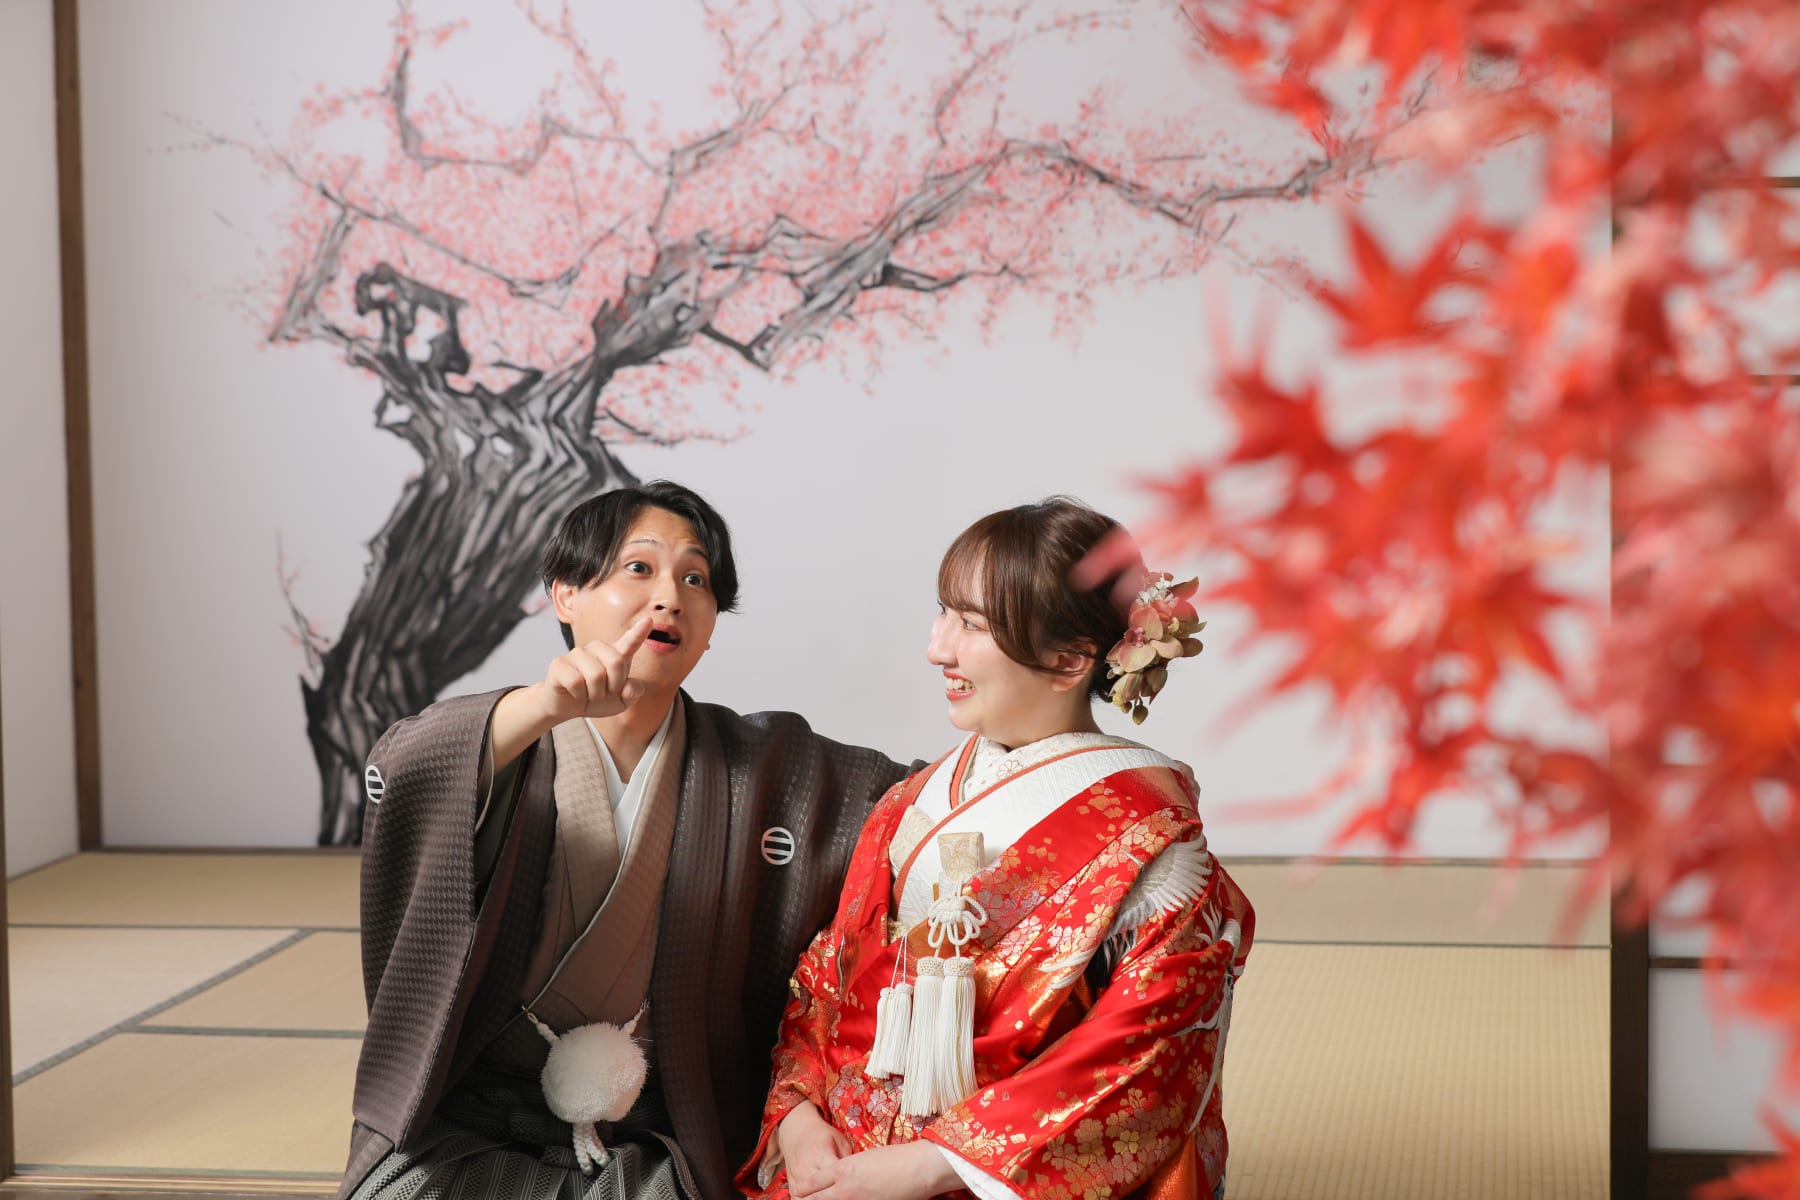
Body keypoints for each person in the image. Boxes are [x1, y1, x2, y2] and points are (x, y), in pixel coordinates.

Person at [338, 481, 912, 1200]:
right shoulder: (502, 737)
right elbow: (402, 772)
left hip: (662, 1132)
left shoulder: (769, 766)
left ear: (710, 626)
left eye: (695, 579)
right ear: (565, 596)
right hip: (470, 1125)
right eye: (639, 568)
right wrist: (540, 709)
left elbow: (926, 798)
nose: (669, 596)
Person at [742, 498, 1254, 1200]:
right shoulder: (910, 802)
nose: (938, 648)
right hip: (845, 1161)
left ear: (1069, 659)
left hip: (992, 1176)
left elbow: (1150, 1049)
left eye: (972, 624)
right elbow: (830, 973)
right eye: (944, 613)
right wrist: (799, 1115)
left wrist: (932, 1167)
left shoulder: (1151, 840)